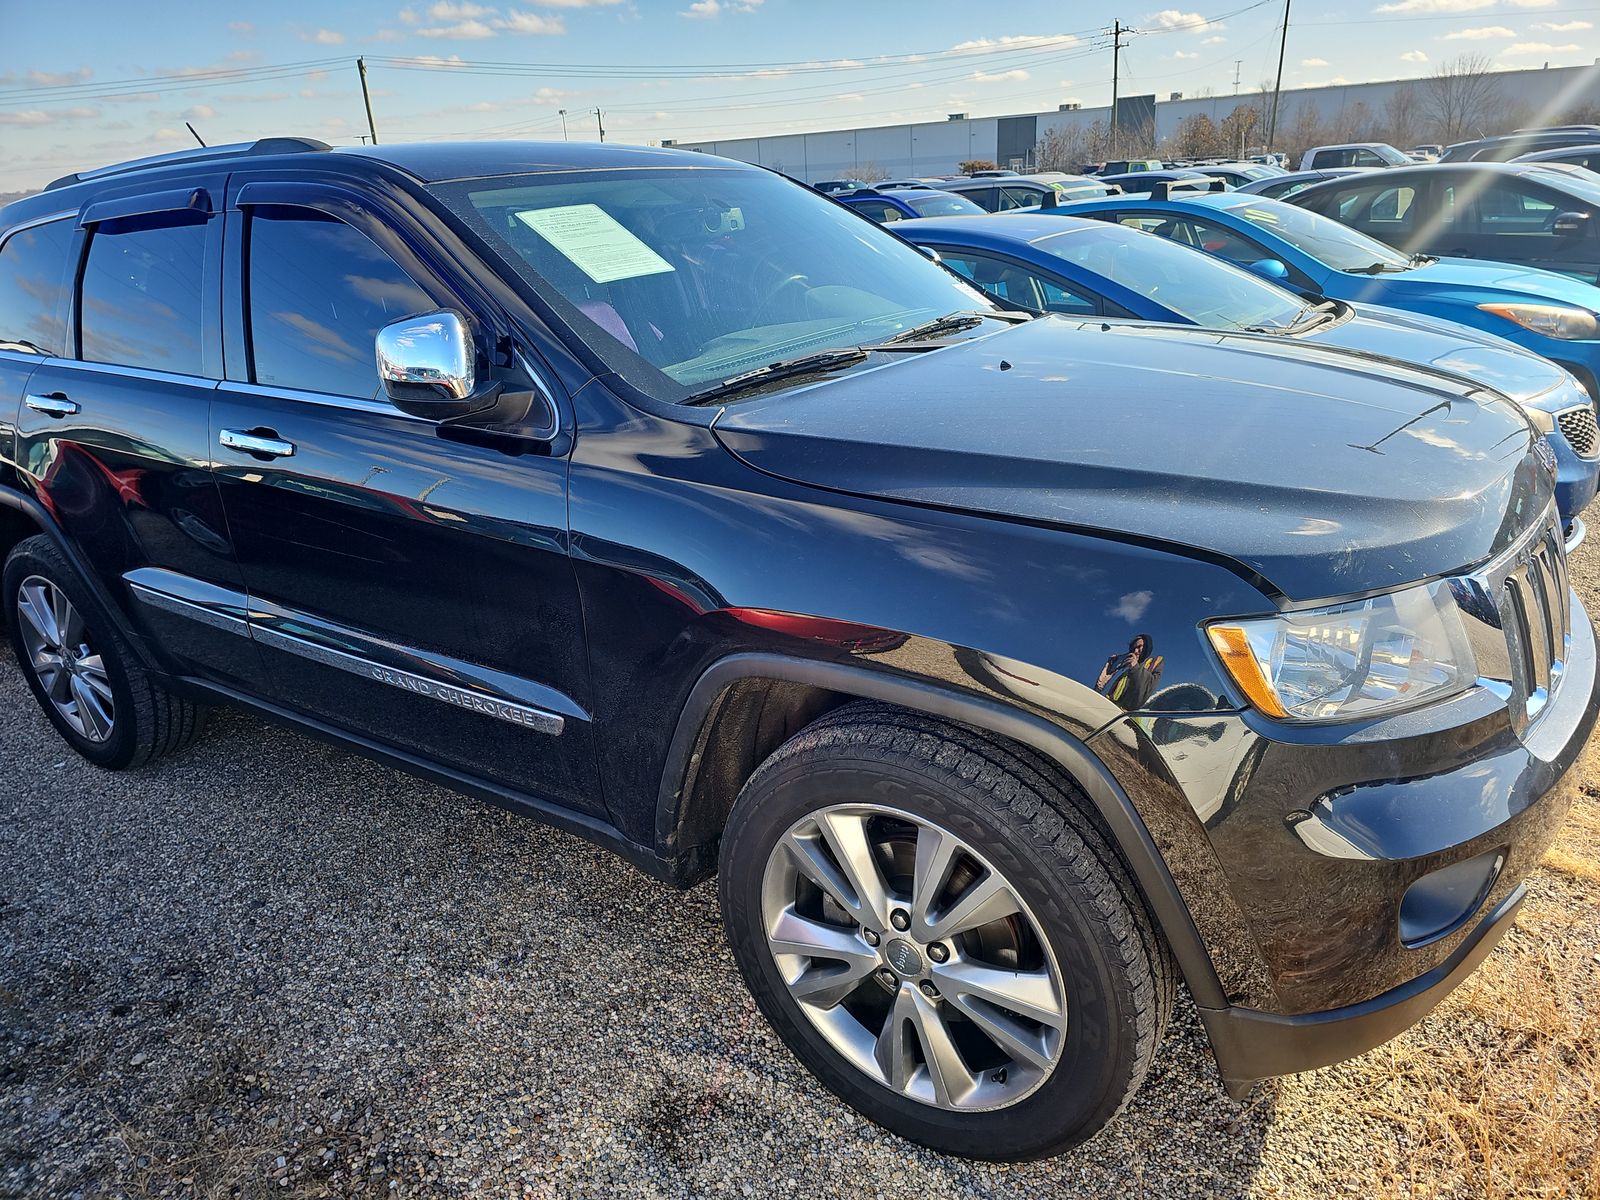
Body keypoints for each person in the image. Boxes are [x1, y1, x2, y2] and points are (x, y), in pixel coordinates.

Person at [1096, 633, 1163, 710]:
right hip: (1106, 705)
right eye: (1133, 648)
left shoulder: (1155, 663)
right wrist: (1102, 682)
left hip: (1124, 713)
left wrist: (1135, 667)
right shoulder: (1124, 665)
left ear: (1147, 647)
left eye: (1139, 647)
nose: (1135, 651)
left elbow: (1143, 692)